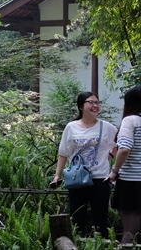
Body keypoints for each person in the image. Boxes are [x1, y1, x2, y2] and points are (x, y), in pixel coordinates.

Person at [49, 92, 117, 238]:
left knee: (101, 220)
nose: (95, 106)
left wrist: (109, 156)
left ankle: (103, 245)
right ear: (81, 106)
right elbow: (63, 153)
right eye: (91, 102)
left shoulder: (106, 127)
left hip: (100, 178)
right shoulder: (71, 127)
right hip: (76, 178)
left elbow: (120, 144)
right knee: (77, 218)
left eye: (97, 103)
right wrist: (57, 176)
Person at [108, 86, 141, 244]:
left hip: (131, 182)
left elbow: (124, 149)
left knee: (130, 229)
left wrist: (114, 171)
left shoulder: (131, 120)